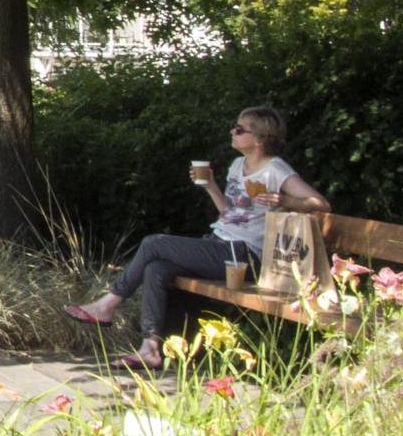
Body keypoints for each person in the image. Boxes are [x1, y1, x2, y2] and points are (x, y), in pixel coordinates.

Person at [65, 106, 329, 370]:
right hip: (219, 243)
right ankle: (151, 348)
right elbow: (229, 212)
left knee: (153, 243)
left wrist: (285, 200)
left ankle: (108, 305)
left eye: (239, 129)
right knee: (157, 268)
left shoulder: (275, 169)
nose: (232, 132)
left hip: (245, 255)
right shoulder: (238, 165)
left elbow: (321, 204)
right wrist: (210, 185)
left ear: (259, 139)